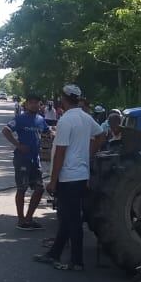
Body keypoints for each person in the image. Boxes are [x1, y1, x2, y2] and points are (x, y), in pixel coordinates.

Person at [33, 84, 105, 271]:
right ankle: (54, 253)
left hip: (68, 177)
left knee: (72, 219)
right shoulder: (86, 118)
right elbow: (101, 135)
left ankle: (77, 261)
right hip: (80, 175)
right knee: (67, 217)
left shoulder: (66, 120)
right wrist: (88, 154)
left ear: (63, 99)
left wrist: (53, 180)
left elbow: (60, 152)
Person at [3, 93, 50, 230]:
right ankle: (21, 219)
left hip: (36, 160)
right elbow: (6, 130)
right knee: (22, 189)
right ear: (27, 104)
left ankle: (29, 218)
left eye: (37, 103)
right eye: (31, 102)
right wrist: (18, 145)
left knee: (39, 189)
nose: (34, 105)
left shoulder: (41, 120)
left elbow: (48, 131)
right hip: (22, 159)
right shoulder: (20, 118)